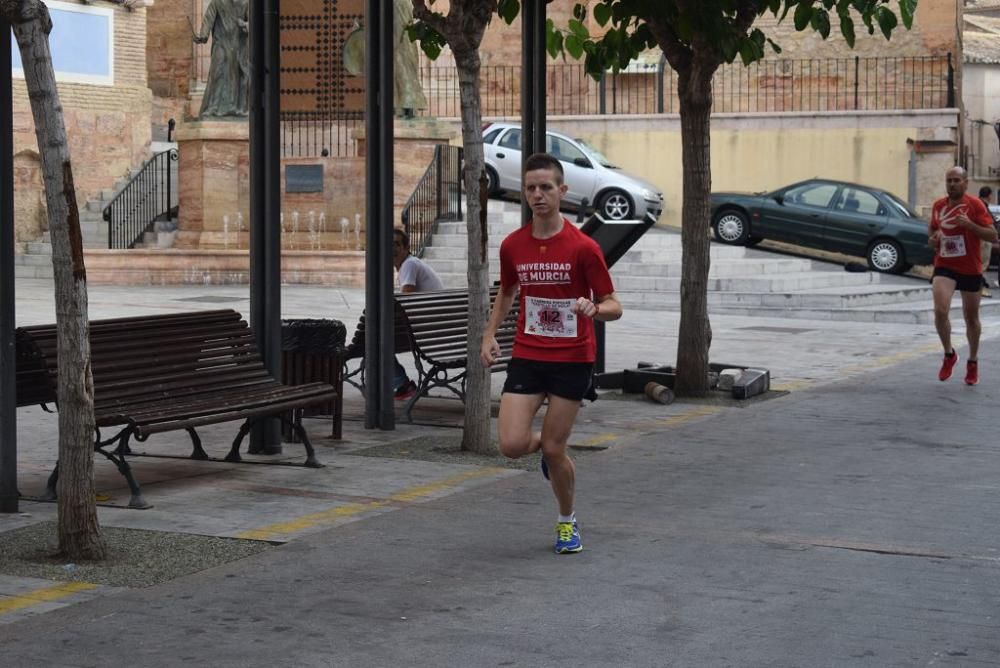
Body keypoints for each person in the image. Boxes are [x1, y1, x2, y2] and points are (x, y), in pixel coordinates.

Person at [480, 153, 623, 554]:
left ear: (563, 191)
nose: (538, 195)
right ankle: (546, 445)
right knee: (510, 445)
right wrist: (489, 334)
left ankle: (566, 521)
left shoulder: (583, 247)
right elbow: (507, 291)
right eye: (531, 188)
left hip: (572, 360)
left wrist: (596, 309)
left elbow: (614, 303)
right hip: (529, 354)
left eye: (546, 187)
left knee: (556, 449)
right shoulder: (514, 245)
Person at [928, 167, 998, 386]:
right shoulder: (939, 206)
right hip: (945, 264)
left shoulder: (975, 205)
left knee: (971, 318)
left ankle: (973, 361)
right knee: (940, 311)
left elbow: (992, 234)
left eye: (957, 180)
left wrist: (970, 225)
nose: (952, 184)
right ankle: (949, 355)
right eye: (949, 180)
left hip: (970, 267)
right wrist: (933, 238)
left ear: (966, 183)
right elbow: (932, 231)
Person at [392, 228, 443, 399]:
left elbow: (406, 300)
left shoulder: (409, 265)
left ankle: (402, 384)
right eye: (389, 244)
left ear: (406, 248)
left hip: (425, 332)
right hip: (433, 328)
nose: (392, 248)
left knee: (377, 343)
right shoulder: (411, 263)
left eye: (396, 244)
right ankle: (399, 382)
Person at [194, 0, 250, 118]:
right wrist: (203, 36)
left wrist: (245, 25)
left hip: (239, 45)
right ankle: (213, 107)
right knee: (217, 73)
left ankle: (239, 108)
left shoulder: (246, 3)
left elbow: (253, 23)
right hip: (221, 43)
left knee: (239, 75)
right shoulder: (217, 2)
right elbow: (208, 19)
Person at [977, 186, 995, 296]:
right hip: (983, 239)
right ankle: (980, 288)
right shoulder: (982, 206)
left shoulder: (979, 204)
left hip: (982, 238)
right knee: (982, 264)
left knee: (980, 264)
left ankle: (979, 286)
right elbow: (985, 222)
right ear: (989, 195)